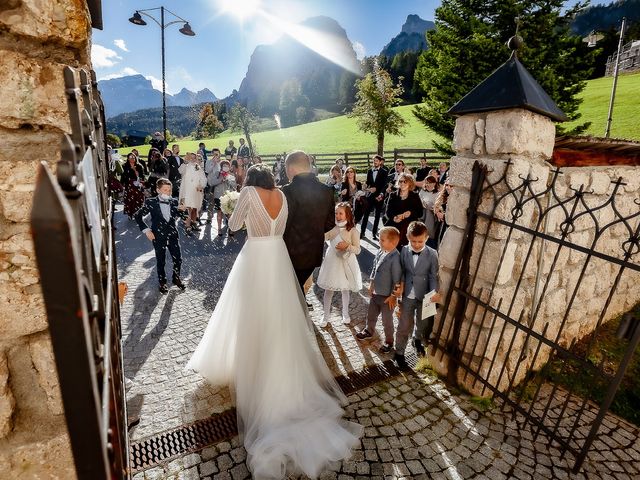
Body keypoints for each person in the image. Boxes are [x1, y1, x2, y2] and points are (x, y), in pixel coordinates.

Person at [186, 165, 362, 479]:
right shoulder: (281, 194)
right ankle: (277, 366)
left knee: (248, 311)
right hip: (277, 256)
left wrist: (231, 205)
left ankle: (250, 365)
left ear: (251, 180)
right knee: (280, 314)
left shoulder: (248, 192)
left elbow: (237, 225)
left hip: (256, 257)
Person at [282, 150, 335, 292]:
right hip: (313, 253)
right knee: (297, 292)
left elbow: (283, 224)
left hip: (290, 253)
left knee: (291, 293)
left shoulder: (287, 191)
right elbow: (330, 223)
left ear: (291, 168)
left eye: (285, 168)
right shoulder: (326, 190)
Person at [394, 221, 440, 368]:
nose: (416, 244)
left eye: (420, 241)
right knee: (404, 325)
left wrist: (433, 293)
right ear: (407, 237)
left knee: (423, 323)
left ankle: (417, 340)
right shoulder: (404, 251)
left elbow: (433, 276)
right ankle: (399, 353)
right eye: (413, 241)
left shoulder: (432, 254)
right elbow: (402, 272)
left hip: (425, 295)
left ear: (426, 238)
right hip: (408, 295)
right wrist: (400, 287)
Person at [355, 227, 402, 353]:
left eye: (382, 240)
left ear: (393, 243)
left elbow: (397, 280)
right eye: (380, 239)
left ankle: (389, 341)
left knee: (387, 321)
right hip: (376, 293)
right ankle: (369, 330)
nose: (379, 242)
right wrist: (371, 283)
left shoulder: (396, 259)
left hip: (387, 297)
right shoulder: (381, 252)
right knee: (371, 314)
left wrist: (393, 296)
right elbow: (375, 268)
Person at [135, 178, 186, 293]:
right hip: (158, 236)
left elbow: (182, 216)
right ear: (158, 190)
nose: (167, 192)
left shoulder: (174, 201)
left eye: (169, 190)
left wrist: (183, 211)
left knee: (178, 258)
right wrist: (147, 231)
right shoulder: (151, 202)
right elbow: (137, 216)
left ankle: (176, 278)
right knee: (161, 260)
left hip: (172, 234)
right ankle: (162, 282)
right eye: (164, 190)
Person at [316, 202, 362, 327]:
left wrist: (347, 246)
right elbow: (322, 237)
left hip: (346, 263)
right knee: (328, 289)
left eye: (340, 213)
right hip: (332, 262)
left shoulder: (353, 231)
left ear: (347, 215)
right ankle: (326, 315)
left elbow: (358, 250)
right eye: (336, 213)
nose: (338, 216)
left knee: (345, 289)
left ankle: (345, 313)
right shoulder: (332, 228)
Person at [384, 173, 424, 250]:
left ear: (410, 183)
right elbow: (388, 211)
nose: (402, 183)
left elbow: (420, 213)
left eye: (405, 181)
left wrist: (411, 213)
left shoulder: (415, 196)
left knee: (407, 252)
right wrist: (394, 218)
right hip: (394, 226)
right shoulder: (393, 195)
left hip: (408, 228)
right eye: (400, 181)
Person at [178, 153, 207, 235]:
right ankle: (187, 226)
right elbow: (180, 171)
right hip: (187, 191)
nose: (193, 159)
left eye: (195, 158)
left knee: (195, 208)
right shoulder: (186, 166)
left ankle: (194, 223)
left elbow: (203, 178)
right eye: (192, 158)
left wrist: (202, 185)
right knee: (189, 208)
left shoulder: (198, 167)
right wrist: (185, 162)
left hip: (196, 191)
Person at [360, 155, 388, 239]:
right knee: (366, 214)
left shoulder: (384, 171)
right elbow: (368, 182)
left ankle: (374, 233)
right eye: (374, 161)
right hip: (370, 196)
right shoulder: (369, 171)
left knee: (377, 215)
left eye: (376, 161)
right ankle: (362, 232)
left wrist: (381, 194)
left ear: (380, 162)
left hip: (379, 196)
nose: (375, 162)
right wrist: (366, 186)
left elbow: (384, 185)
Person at [206, 158, 236, 235]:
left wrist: (228, 180)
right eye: (224, 166)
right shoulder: (217, 174)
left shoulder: (231, 175)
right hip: (218, 196)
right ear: (221, 166)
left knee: (229, 213)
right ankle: (219, 229)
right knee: (219, 212)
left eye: (227, 166)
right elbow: (212, 183)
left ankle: (231, 228)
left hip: (228, 196)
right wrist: (220, 179)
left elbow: (234, 186)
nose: (226, 167)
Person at [120, 152, 146, 219]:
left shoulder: (139, 166)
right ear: (128, 158)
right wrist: (122, 183)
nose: (132, 158)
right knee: (129, 200)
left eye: (134, 157)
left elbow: (142, 176)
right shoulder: (124, 166)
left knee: (138, 199)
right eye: (131, 157)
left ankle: (138, 213)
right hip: (128, 185)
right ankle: (130, 214)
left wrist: (136, 172)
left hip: (137, 186)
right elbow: (123, 176)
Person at [419, 176, 440, 249]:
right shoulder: (422, 191)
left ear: (434, 183)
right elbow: (419, 201)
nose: (428, 184)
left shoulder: (437, 193)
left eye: (430, 183)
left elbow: (437, 206)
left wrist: (429, 206)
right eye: (427, 183)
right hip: (422, 213)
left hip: (431, 215)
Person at [433, 181, 452, 247]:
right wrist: (437, 212)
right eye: (447, 185)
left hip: (449, 227)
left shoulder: (457, 199)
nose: (448, 187)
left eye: (451, 186)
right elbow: (436, 206)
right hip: (440, 225)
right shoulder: (443, 195)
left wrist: (444, 216)